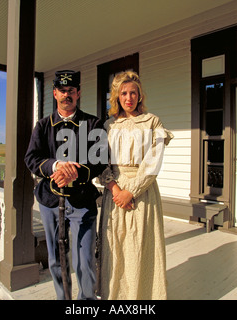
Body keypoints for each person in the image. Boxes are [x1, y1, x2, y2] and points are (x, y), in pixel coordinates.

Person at [25, 70, 107, 300]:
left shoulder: (94, 123)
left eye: (71, 90)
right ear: (55, 93)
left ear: (78, 93)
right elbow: (31, 159)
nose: (66, 95)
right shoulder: (42, 126)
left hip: (82, 201)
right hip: (50, 201)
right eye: (62, 91)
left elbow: (100, 160)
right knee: (55, 260)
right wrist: (55, 167)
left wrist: (74, 173)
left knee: (85, 261)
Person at [97, 71, 173, 300]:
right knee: (117, 247)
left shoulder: (152, 122)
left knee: (139, 248)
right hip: (114, 192)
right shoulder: (109, 125)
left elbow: (153, 161)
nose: (128, 98)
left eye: (133, 93)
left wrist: (131, 191)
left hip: (143, 193)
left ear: (140, 96)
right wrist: (116, 189)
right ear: (117, 97)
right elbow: (101, 162)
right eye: (123, 93)